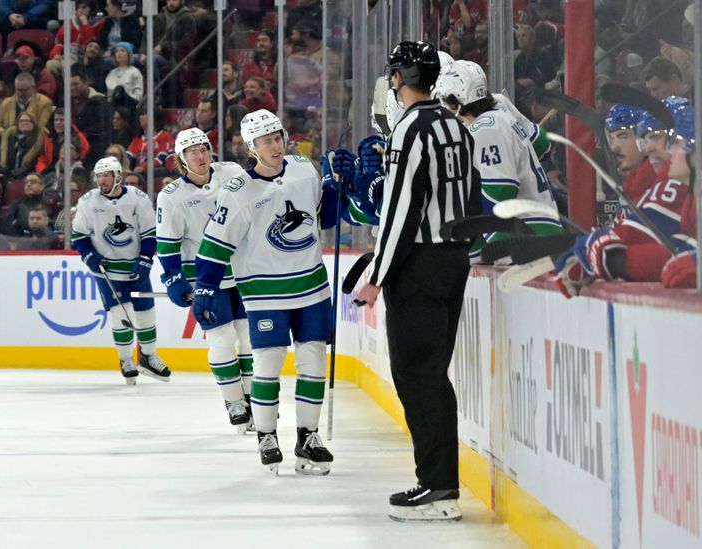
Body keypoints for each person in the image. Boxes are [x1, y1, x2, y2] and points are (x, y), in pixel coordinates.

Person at [354, 41, 481, 522]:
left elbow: (401, 210)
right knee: (432, 374)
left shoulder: (409, 129)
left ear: (398, 79)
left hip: (418, 266)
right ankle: (439, 481)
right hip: (453, 261)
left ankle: (438, 488)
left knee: (416, 375)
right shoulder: (456, 124)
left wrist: (377, 276)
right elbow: (471, 197)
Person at [193, 109, 338, 475]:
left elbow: (324, 218)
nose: (275, 146)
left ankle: (308, 436)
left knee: (313, 363)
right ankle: (267, 435)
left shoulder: (305, 170)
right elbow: (215, 243)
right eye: (265, 141)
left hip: (312, 287)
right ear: (250, 147)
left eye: (278, 137)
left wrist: (339, 189)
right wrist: (206, 286)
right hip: (264, 293)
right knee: (268, 365)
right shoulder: (238, 191)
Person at [156, 128, 254, 433]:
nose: (200, 156)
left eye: (204, 148)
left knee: (250, 338)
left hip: (243, 270)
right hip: (204, 277)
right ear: (181, 160)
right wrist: (173, 277)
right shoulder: (172, 196)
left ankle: (254, 400)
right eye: (192, 152)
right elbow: (167, 242)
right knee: (222, 340)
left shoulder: (233, 173)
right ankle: (234, 401)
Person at [552, 100, 697, 295]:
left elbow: (648, 241)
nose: (649, 148)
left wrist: (609, 258)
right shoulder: (641, 185)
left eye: (622, 136)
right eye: (646, 139)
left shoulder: (677, 183)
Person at [435, 59, 561, 262]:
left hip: (531, 240)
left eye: (446, 101)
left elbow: (500, 191)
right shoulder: (496, 115)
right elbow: (542, 144)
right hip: (532, 235)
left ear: (457, 100)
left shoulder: (486, 128)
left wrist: (491, 245)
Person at [71, 156, 171, 384]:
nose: (102, 180)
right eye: (99, 176)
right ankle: (126, 359)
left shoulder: (138, 198)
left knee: (146, 313)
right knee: (122, 314)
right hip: (107, 270)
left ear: (118, 176)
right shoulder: (88, 201)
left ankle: (148, 356)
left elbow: (150, 232)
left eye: (107, 175)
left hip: (136, 266)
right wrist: (88, 255)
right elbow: (79, 236)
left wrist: (146, 258)